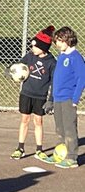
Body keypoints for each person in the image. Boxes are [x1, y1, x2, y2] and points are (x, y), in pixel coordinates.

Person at [43, 25, 85, 168]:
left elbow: (81, 79)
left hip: (68, 99)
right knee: (59, 129)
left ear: (68, 40)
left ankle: (72, 158)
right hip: (58, 98)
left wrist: (75, 99)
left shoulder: (76, 58)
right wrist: (52, 98)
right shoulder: (61, 57)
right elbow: (56, 79)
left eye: (60, 40)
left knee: (69, 129)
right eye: (56, 41)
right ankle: (60, 154)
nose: (57, 44)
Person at [11, 26, 55, 159]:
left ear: (44, 48)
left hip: (40, 96)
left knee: (38, 121)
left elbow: (54, 82)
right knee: (24, 119)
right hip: (26, 93)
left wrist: (50, 99)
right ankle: (20, 148)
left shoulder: (51, 62)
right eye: (32, 45)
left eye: (35, 46)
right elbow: (19, 66)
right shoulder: (29, 56)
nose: (32, 48)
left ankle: (39, 149)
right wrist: (11, 70)